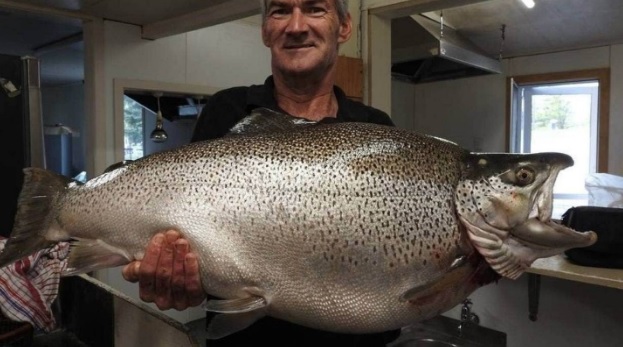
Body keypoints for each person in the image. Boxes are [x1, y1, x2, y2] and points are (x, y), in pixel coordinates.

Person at [122, 0, 400, 345]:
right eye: (280, 11)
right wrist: (181, 278)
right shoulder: (226, 112)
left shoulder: (375, 129)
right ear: (265, 30)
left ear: (344, 27)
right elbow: (196, 244)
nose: (296, 26)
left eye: (315, 9)